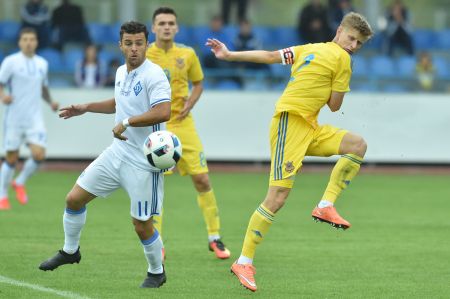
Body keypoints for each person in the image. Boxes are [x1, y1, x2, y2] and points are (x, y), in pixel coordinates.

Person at [206, 11, 373, 291]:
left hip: (309, 125)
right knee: (277, 197)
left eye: (359, 43)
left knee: (357, 145)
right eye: (352, 38)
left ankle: (325, 205)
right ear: (340, 30)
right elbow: (335, 105)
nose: (354, 45)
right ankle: (244, 260)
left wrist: (230, 55)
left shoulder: (307, 49)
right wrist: (339, 80)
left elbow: (271, 56)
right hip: (291, 121)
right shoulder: (343, 60)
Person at [38, 21, 172, 288]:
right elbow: (118, 103)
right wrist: (86, 107)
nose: (134, 49)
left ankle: (156, 272)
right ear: (120, 45)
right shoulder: (122, 71)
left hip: (144, 161)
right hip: (117, 153)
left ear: (147, 44)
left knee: (141, 224)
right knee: (74, 199)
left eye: (139, 43)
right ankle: (70, 251)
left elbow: (163, 111)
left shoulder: (154, 75)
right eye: (129, 43)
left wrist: (128, 122)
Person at [146, 7, 231, 259]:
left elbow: (199, 83)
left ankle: (214, 237)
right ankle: (156, 242)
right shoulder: (145, 55)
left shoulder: (187, 53)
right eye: (161, 23)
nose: (166, 27)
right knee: (156, 183)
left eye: (171, 23)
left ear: (177, 27)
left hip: (183, 124)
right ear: (153, 28)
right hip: (156, 126)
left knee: (202, 179)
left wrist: (189, 104)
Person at [0, 27, 59, 211]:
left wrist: (51, 101)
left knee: (39, 154)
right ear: (19, 42)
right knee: (11, 158)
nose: (28, 42)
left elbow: (43, 87)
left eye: (31, 39)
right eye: (25, 39)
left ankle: (20, 182)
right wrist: (3, 96)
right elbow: (1, 84)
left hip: (35, 118)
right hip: (15, 118)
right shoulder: (11, 62)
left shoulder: (42, 63)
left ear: (36, 42)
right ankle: (2, 196)